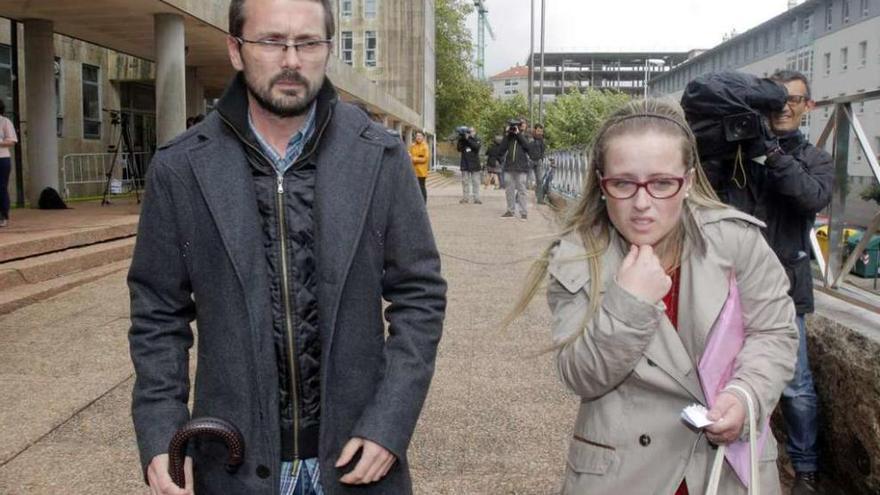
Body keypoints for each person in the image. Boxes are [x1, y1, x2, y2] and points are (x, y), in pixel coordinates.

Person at [127, 1, 447, 494]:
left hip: (356, 461)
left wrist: (390, 423)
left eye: (308, 42)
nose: (292, 60)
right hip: (230, 463)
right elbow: (157, 314)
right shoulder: (180, 168)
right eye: (273, 41)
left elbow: (420, 297)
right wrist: (160, 432)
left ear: (328, 49)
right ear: (236, 50)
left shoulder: (381, 157)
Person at [505, 99, 798, 494]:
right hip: (623, 472)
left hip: (726, 470)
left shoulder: (738, 243)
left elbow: (775, 333)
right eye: (624, 184)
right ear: (601, 182)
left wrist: (746, 394)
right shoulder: (578, 255)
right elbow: (580, 375)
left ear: (689, 181)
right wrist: (629, 303)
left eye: (662, 184)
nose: (642, 204)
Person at [706, 69, 832, 495]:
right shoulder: (737, 152)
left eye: (793, 100)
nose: (784, 107)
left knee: (796, 386)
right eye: (776, 100)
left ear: (807, 106)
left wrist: (773, 154)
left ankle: (806, 467)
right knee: (722, 372)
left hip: (787, 288)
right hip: (730, 285)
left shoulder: (814, 158)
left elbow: (812, 197)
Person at [500, 118, 532, 220]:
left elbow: (528, 147)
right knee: (509, 190)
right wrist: (506, 134)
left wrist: (518, 134)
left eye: (522, 124)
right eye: (519, 124)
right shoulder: (510, 137)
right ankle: (510, 211)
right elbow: (501, 149)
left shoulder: (527, 136)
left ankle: (523, 213)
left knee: (522, 190)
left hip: (521, 168)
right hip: (509, 167)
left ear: (525, 126)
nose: (520, 125)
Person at [0, 100, 17, 228]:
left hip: (2, 158)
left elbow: (11, 141)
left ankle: (3, 215)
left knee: (1, 187)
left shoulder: (4, 121)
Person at [456, 127, 482, 204]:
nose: (470, 133)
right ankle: (465, 198)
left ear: (475, 132)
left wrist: (468, 139)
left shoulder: (477, 139)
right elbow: (459, 149)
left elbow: (476, 147)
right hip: (465, 164)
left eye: (471, 131)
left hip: (475, 164)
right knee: (465, 182)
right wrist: (462, 139)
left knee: (476, 182)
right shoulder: (463, 139)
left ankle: (476, 198)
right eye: (468, 131)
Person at [409, 130, 430, 202]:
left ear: (423, 137)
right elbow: (409, 156)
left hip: (421, 172)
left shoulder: (425, 146)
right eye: (417, 136)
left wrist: (414, 159)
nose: (418, 137)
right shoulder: (412, 146)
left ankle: (423, 202)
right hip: (413, 171)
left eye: (420, 136)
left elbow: (425, 158)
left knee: (421, 188)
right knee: (414, 188)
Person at [531, 124, 547, 203]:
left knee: (540, 180)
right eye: (538, 131)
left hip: (539, 161)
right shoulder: (530, 138)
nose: (539, 133)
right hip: (530, 160)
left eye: (541, 131)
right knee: (525, 180)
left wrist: (541, 159)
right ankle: (517, 197)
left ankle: (540, 199)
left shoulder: (542, 140)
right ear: (534, 130)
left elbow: (543, 150)